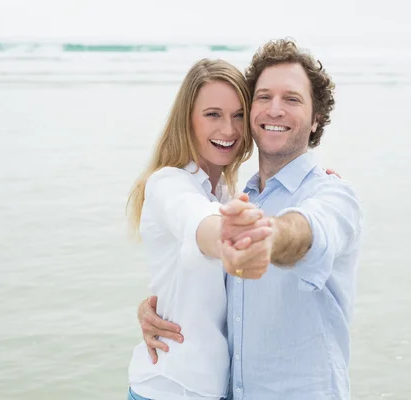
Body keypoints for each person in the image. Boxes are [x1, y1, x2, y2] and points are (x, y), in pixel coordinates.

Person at [137, 39, 364, 400]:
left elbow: (308, 229)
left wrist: (268, 238)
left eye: (292, 99)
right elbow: (197, 236)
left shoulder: (333, 194)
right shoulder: (236, 196)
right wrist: (158, 306)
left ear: (316, 117)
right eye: (263, 97)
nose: (275, 109)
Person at [125, 58, 278, 400]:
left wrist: (314, 185)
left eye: (239, 115)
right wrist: (227, 239)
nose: (229, 129)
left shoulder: (225, 191)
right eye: (213, 114)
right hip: (170, 389)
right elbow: (197, 222)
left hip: (215, 389)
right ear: (188, 121)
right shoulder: (168, 184)